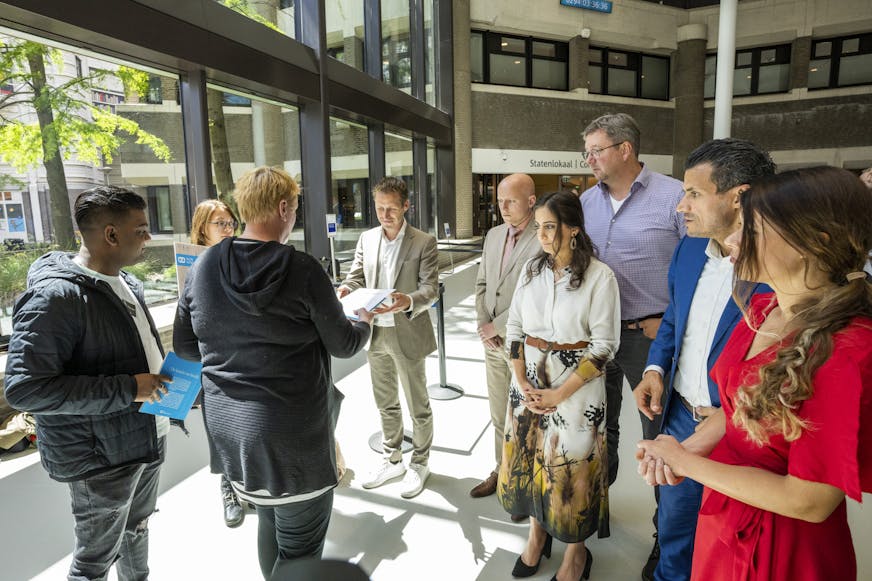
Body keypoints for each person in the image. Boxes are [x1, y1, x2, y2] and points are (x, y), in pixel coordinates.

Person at [637, 166, 872, 581]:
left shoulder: (844, 350)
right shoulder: (764, 310)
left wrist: (686, 462)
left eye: (752, 230)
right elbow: (739, 405)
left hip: (781, 545)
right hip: (728, 510)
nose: (732, 240)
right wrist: (684, 449)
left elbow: (809, 500)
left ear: (813, 243)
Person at [173, 166, 373, 579]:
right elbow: (343, 343)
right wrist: (364, 320)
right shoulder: (303, 269)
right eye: (295, 208)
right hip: (293, 440)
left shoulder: (204, 266)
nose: (294, 215)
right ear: (283, 208)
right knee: (300, 552)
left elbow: (185, 347)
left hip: (232, 437)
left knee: (268, 518)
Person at [4, 186, 170, 581]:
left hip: (147, 434)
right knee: (94, 561)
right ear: (111, 235)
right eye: (140, 230)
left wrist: (169, 391)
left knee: (137, 529)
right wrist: (129, 389)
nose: (148, 238)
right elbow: (27, 389)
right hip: (100, 457)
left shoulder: (126, 282)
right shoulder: (54, 297)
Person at [633, 139, 775, 581]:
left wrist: (733, 416)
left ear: (739, 197)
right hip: (679, 417)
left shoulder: (779, 269)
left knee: (731, 549)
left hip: (743, 435)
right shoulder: (690, 249)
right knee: (675, 534)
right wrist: (655, 369)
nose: (681, 207)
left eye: (693, 194)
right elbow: (674, 318)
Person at [578, 112, 685, 572]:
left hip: (649, 340)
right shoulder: (586, 201)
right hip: (597, 337)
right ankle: (593, 513)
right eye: (586, 152)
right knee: (597, 429)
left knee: (658, 438)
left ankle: (666, 535)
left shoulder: (673, 197)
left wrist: (671, 322)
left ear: (625, 149)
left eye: (596, 150)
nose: (589, 159)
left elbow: (697, 269)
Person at [498, 191, 620, 581]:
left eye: (550, 227)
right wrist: (521, 379)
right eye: (538, 227)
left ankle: (576, 554)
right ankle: (537, 536)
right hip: (528, 384)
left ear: (574, 229)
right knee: (533, 460)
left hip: (576, 391)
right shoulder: (531, 271)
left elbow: (604, 346)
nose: (542, 236)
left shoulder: (600, 276)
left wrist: (558, 394)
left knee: (571, 471)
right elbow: (514, 327)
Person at [337, 176, 439, 499]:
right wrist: (346, 288)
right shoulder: (367, 239)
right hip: (374, 331)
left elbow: (430, 289)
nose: (385, 215)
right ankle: (392, 458)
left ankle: (420, 462)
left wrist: (407, 300)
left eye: (391, 208)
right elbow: (355, 276)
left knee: (417, 404)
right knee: (386, 402)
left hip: (406, 330)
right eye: (380, 208)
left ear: (406, 205)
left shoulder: (424, 242)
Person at [470, 173, 539, 509]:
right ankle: (502, 470)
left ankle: (525, 483)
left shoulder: (543, 236)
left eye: (511, 201)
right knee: (498, 413)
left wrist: (496, 327)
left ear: (531, 201)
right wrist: (483, 324)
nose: (503, 207)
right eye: (500, 201)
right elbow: (482, 284)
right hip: (492, 345)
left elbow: (535, 294)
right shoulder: (494, 235)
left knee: (526, 415)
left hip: (523, 344)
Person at [188, 199, 249, 528]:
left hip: (243, 357)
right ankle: (229, 490)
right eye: (220, 223)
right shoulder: (192, 266)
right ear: (202, 229)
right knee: (221, 431)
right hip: (210, 362)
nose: (228, 229)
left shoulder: (242, 258)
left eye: (230, 223)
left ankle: (248, 486)